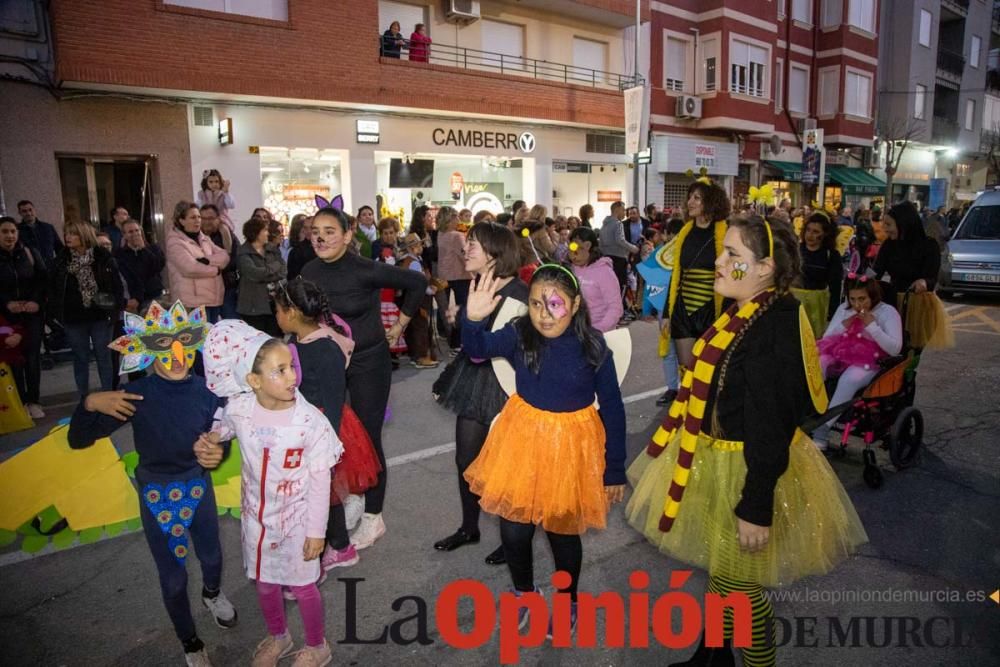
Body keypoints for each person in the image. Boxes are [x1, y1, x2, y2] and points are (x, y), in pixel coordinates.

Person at [627, 217, 867, 667]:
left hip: (747, 470)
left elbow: (772, 424)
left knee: (742, 589)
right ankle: (713, 657)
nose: (719, 261)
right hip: (721, 460)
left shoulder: (772, 326)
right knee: (725, 574)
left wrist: (755, 506)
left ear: (764, 268)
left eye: (733, 255)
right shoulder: (745, 309)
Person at [68, 301, 237, 667]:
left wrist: (218, 450)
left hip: (199, 487)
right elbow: (78, 440)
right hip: (156, 495)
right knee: (173, 579)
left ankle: (212, 593)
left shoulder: (210, 391)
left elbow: (224, 432)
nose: (176, 354)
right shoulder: (137, 396)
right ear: (145, 350)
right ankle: (190, 641)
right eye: (164, 345)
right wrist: (90, 403)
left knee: (212, 556)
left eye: (184, 344)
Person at [461, 263, 627, 632]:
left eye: (555, 304)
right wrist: (472, 320)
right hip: (522, 440)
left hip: (571, 448)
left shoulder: (593, 345)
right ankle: (525, 594)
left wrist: (614, 468)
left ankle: (568, 601)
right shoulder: (521, 333)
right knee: (514, 532)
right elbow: (476, 349)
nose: (544, 314)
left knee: (562, 532)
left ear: (576, 303)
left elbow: (613, 409)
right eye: (536, 304)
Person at [202, 322, 340, 667]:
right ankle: (280, 636)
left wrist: (316, 532)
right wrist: (212, 438)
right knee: (265, 583)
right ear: (254, 381)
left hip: (297, 521)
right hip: (257, 520)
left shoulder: (309, 423)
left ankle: (316, 645)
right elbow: (223, 427)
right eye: (280, 370)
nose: (292, 376)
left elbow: (321, 480)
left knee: (304, 586)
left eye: (290, 365)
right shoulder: (241, 409)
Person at [300, 206, 427, 549]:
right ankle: (353, 493)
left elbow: (417, 282)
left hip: (369, 363)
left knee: (368, 437)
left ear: (346, 235)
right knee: (334, 435)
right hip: (327, 365)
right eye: (316, 231)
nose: (322, 237)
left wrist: (399, 325)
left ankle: (374, 516)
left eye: (329, 231)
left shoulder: (364, 269)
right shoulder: (307, 270)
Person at [431, 222, 527, 565]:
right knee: (466, 460)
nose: (465, 250)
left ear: (495, 253)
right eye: (467, 243)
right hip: (475, 379)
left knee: (506, 467)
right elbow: (473, 341)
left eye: (473, 245)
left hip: (507, 384)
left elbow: (502, 346)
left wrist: (470, 322)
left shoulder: (518, 294)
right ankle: (469, 528)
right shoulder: (477, 284)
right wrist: (459, 320)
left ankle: (511, 537)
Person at [272, 278, 381, 573]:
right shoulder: (298, 341)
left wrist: (324, 445)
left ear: (292, 312)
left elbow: (333, 399)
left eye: (278, 310)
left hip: (324, 429)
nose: (276, 316)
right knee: (324, 493)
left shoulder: (323, 349)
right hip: (305, 425)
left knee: (323, 492)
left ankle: (332, 551)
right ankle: (339, 546)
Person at [812, 275, 903, 449]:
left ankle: (823, 429)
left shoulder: (887, 312)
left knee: (850, 379)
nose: (857, 304)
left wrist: (872, 327)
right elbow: (827, 337)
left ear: (873, 296)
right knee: (816, 365)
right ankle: (810, 414)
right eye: (852, 299)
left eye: (862, 299)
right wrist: (844, 325)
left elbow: (895, 348)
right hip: (839, 351)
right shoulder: (844, 309)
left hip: (872, 359)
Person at [49, 220, 123, 396]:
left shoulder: (102, 256)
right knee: (80, 357)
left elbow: (116, 287)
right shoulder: (61, 259)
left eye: (72, 233)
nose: (67, 237)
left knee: (103, 356)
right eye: (66, 233)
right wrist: (56, 313)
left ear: (84, 235)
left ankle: (108, 394)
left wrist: (111, 306)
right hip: (73, 317)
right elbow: (52, 288)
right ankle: (84, 398)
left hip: (100, 315)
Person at [666, 180, 730, 370]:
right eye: (690, 197)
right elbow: (676, 274)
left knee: (708, 368)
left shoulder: (726, 232)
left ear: (711, 201)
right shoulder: (685, 232)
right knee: (686, 368)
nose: (690, 202)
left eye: (697, 198)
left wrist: (727, 315)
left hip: (712, 310)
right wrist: (666, 314)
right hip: (682, 311)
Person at [874, 202, 954, 350]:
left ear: (903, 224)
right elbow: (876, 270)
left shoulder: (929, 245)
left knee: (912, 349)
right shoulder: (888, 245)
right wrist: (861, 279)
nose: (885, 229)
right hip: (893, 300)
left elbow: (932, 277)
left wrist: (924, 282)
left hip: (919, 304)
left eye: (889, 224)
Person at [0, 217, 47, 419]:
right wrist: (6, 303)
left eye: (12, 231)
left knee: (32, 357)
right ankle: (19, 403)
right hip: (6, 318)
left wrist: (36, 302)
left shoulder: (29, 253)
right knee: (13, 360)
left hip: (31, 315)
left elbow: (43, 279)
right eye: (4, 231)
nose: (9, 235)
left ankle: (34, 401)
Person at [165, 202, 229, 321]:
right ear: (182, 220)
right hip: (193, 303)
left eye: (199, 217)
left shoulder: (203, 237)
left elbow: (224, 256)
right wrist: (216, 270)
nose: (198, 220)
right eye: (193, 217)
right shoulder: (175, 242)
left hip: (213, 300)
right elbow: (190, 268)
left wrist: (207, 260)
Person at [793, 212, 843, 338]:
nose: (810, 235)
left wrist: (832, 313)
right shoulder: (795, 250)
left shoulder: (831, 255)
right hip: (794, 303)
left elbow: (835, 287)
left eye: (816, 231)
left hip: (817, 307)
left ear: (825, 234)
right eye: (808, 230)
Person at [237, 217, 286, 337]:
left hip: (274, 303)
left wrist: (267, 273)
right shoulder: (243, 252)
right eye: (264, 230)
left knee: (275, 338)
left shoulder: (272, 249)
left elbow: (283, 270)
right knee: (258, 339)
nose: (268, 233)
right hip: (253, 306)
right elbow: (254, 274)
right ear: (256, 233)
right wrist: (273, 269)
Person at [567, 227, 622, 332]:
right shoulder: (572, 269)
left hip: (598, 331)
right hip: (575, 329)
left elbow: (615, 308)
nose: (574, 255)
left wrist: (597, 330)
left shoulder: (604, 272)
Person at [398, 232, 439, 368]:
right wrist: (430, 290)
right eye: (418, 244)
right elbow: (420, 283)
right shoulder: (414, 263)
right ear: (412, 247)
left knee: (413, 327)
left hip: (409, 299)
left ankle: (414, 355)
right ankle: (421, 357)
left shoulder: (406, 260)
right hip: (419, 299)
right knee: (421, 327)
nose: (421, 246)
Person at [436, 207, 471, 352]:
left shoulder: (440, 234)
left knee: (445, 308)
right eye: (456, 217)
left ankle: (448, 336)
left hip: (444, 275)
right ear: (450, 219)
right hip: (460, 276)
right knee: (461, 308)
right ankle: (458, 342)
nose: (459, 219)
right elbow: (465, 256)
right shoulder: (457, 236)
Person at [115, 220, 166, 312]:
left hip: (154, 295)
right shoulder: (120, 254)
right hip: (134, 299)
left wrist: (144, 250)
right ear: (124, 235)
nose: (135, 234)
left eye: (137, 230)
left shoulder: (153, 249)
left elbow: (157, 267)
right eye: (130, 232)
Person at [199, 204, 239, 319]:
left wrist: (214, 264)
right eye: (203, 218)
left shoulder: (228, 236)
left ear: (218, 219)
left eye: (211, 218)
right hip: (205, 292)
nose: (207, 222)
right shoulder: (195, 238)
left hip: (227, 288)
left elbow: (235, 260)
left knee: (231, 324)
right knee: (208, 327)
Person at [598, 201, 638, 301]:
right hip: (619, 259)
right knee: (621, 285)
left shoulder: (603, 226)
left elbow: (600, 244)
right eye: (624, 210)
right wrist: (633, 248)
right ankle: (619, 310)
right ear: (617, 209)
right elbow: (620, 240)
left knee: (609, 286)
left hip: (606, 259)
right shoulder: (618, 224)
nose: (625, 213)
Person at [287, 216, 316, 281]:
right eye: (305, 228)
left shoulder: (327, 248)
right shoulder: (296, 251)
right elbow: (292, 277)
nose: (308, 231)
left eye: (311, 228)